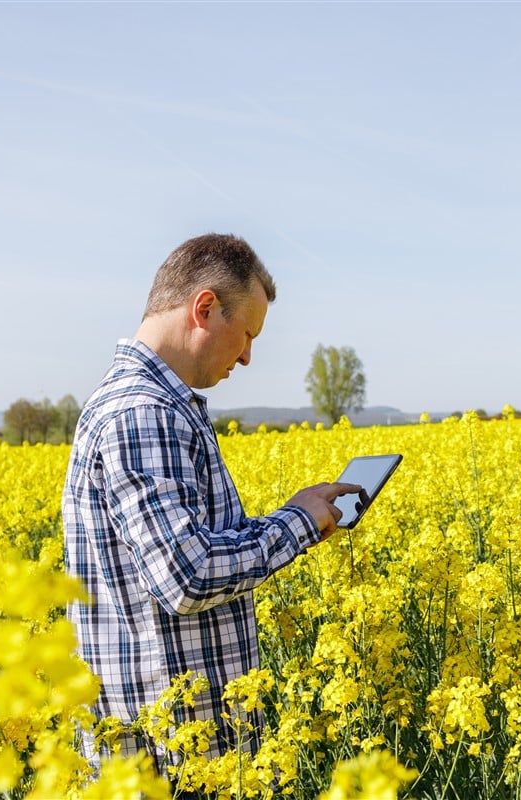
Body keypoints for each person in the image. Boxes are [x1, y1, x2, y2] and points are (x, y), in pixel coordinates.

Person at [62, 233, 361, 777]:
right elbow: (188, 574)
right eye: (246, 334)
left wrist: (292, 514)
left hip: (179, 744)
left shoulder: (151, 404)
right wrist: (294, 526)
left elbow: (183, 551)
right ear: (204, 308)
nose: (247, 356)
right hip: (174, 754)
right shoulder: (142, 413)